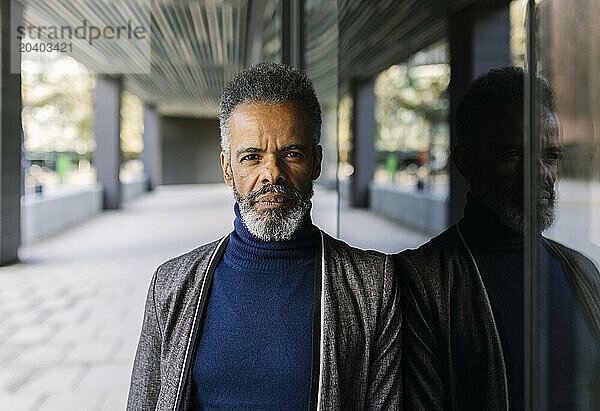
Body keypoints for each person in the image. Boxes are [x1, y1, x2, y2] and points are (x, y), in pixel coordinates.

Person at [127, 62, 401, 410]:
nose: (272, 173)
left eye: (291, 154)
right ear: (228, 168)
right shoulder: (171, 284)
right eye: (252, 157)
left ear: (316, 161)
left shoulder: (372, 285)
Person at [395, 66, 600, 410]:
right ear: (466, 162)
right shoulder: (421, 281)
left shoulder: (582, 271)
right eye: (513, 154)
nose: (540, 174)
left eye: (550, 156)